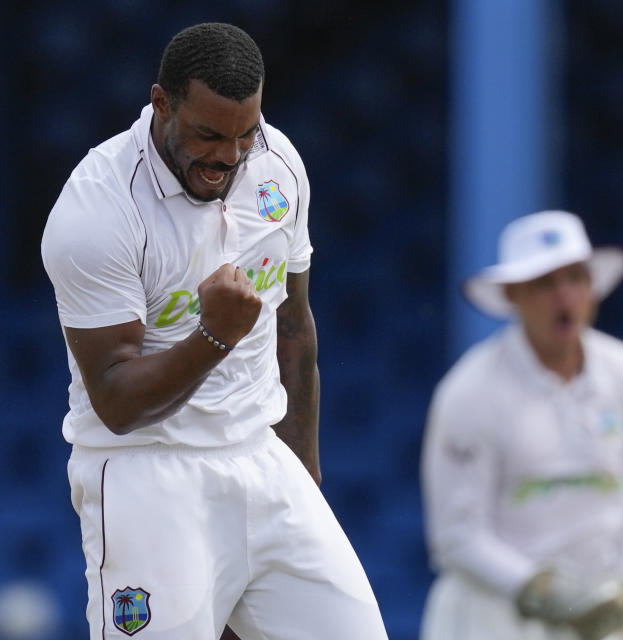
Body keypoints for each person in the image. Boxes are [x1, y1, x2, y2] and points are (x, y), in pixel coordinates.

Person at [41, 22, 389, 640]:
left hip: (261, 458)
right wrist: (214, 337)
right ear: (161, 104)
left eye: (244, 135)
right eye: (208, 134)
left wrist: (302, 484)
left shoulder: (279, 165)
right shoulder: (96, 210)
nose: (227, 156)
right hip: (145, 473)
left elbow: (293, 330)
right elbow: (118, 403)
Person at [419, 211, 623, 640]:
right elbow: (455, 537)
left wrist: (620, 580)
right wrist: (544, 591)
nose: (564, 297)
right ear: (514, 295)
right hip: (493, 620)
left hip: (598, 619)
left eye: (575, 278)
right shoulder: (470, 392)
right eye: (544, 284)